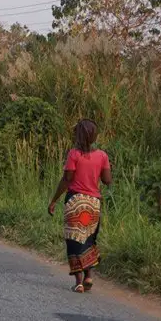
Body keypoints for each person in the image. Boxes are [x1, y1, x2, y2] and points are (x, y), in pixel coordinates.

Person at [47, 119, 112, 293]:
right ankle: (89, 275)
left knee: (74, 240)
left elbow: (67, 179)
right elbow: (107, 180)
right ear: (93, 136)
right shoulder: (102, 156)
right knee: (89, 238)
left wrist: (54, 200)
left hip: (75, 201)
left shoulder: (74, 154)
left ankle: (79, 282)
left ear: (78, 135)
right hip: (93, 204)